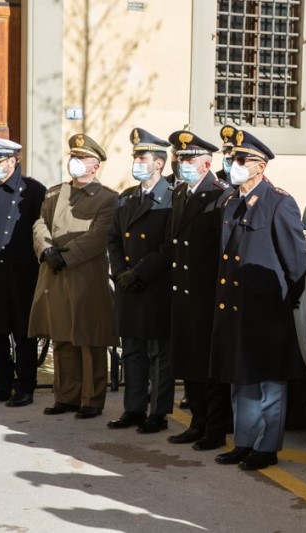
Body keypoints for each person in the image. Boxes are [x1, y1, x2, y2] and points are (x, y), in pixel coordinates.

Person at [210, 128, 306, 470]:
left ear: (260, 166)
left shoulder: (279, 202)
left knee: (269, 382)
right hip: (234, 306)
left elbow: (296, 263)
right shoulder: (229, 201)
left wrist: (281, 301)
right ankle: (244, 441)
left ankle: (266, 447)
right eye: (230, 158)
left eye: (240, 159)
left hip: (265, 310)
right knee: (243, 378)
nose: (232, 164)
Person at [29, 133, 118, 419]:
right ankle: (66, 396)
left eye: (82, 158)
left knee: (89, 339)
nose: (75, 163)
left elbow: (98, 236)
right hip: (54, 273)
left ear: (96, 165)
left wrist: (64, 256)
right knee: (62, 337)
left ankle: (92, 399)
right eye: (73, 157)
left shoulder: (108, 198)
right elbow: (40, 223)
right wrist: (45, 250)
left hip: (86, 276)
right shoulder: (55, 192)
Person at [164, 129, 233, 450]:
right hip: (182, 292)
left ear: (206, 163)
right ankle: (198, 422)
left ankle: (215, 429)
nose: (182, 163)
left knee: (209, 366)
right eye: (180, 158)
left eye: (190, 159)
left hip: (206, 293)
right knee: (189, 362)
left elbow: (223, 248)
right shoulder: (180, 193)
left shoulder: (220, 194)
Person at [0, 135, 46, 407]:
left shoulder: (34, 191)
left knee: (24, 334)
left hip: (22, 273)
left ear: (13, 161)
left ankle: (25, 386)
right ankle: (1, 384)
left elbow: (40, 229)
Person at [107, 128, 174, 433]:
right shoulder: (126, 198)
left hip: (154, 285)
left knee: (158, 352)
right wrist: (121, 271)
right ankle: (133, 408)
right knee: (132, 350)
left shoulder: (171, 199)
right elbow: (114, 239)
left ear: (159, 163)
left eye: (142, 156)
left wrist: (140, 272)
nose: (136, 161)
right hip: (128, 285)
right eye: (135, 156)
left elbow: (169, 245)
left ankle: (158, 413)